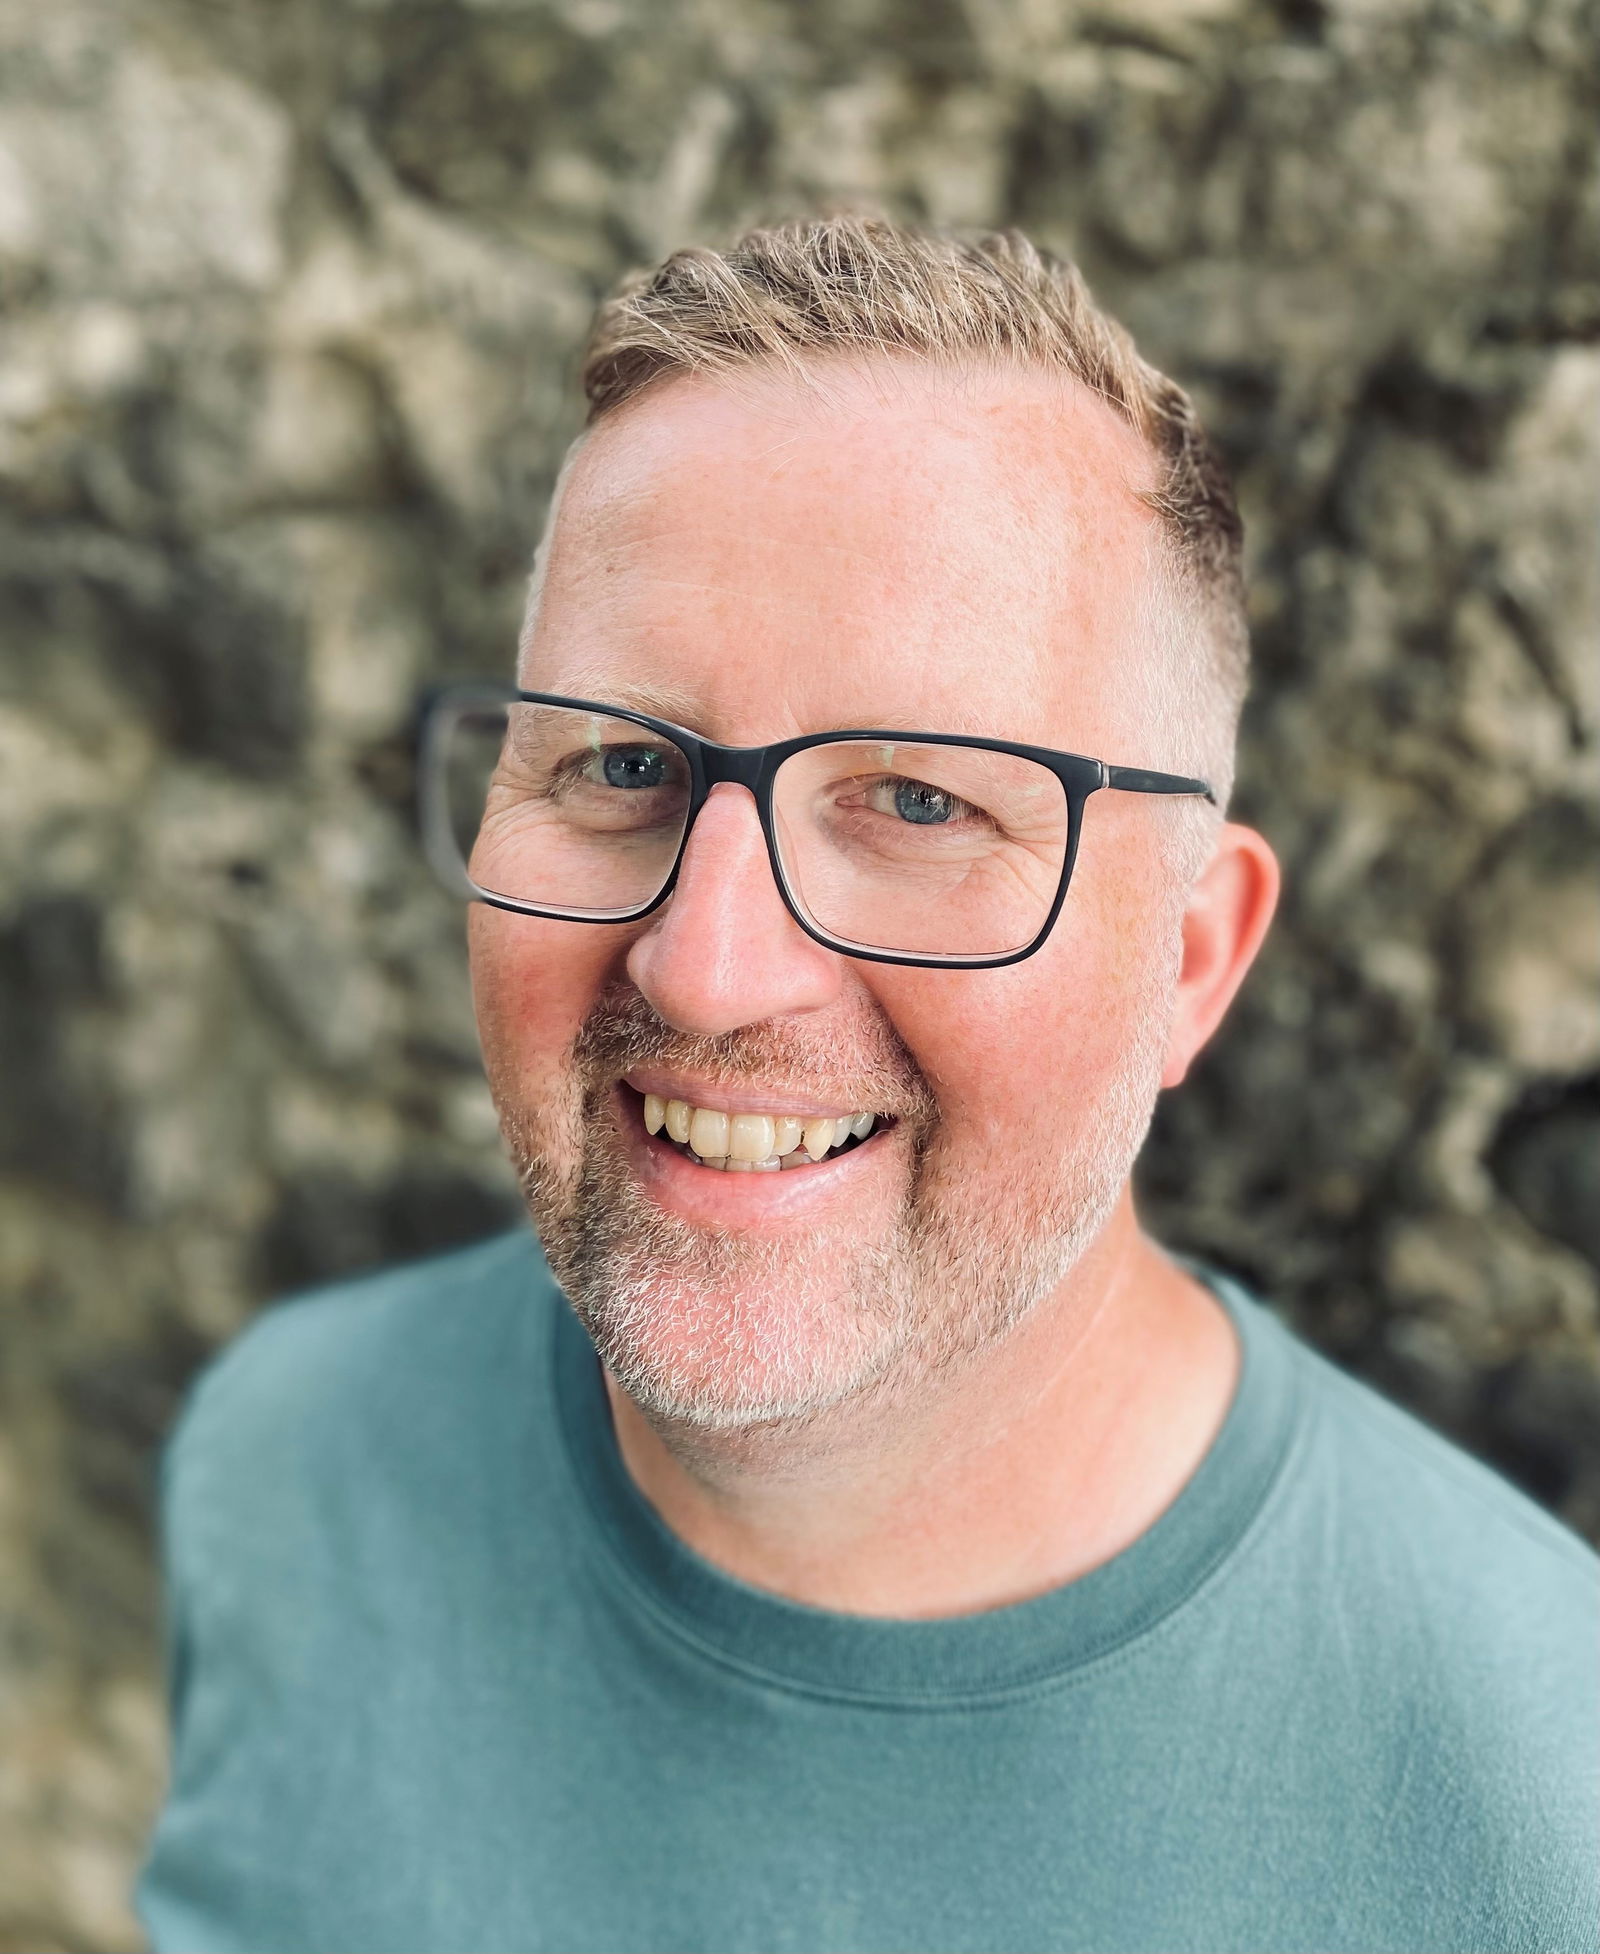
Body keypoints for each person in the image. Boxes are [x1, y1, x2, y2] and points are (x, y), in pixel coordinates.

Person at [138, 217, 1598, 1954]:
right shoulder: (286, 1466)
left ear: (1192, 960)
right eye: (619, 762)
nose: (706, 965)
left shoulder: (1540, 1814)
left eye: (921, 802)